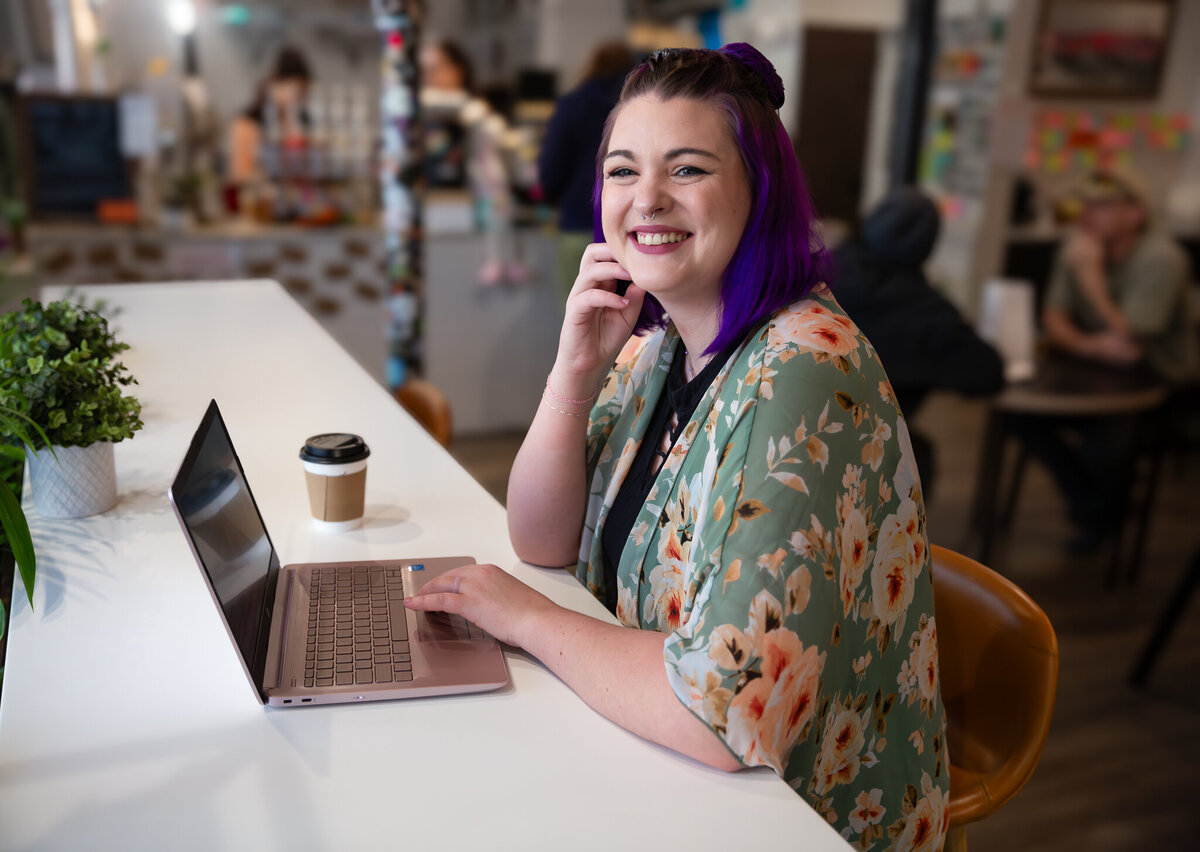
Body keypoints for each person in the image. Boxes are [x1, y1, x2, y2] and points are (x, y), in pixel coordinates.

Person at [405, 44, 948, 847]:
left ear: (759, 191)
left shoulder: (800, 370)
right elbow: (541, 537)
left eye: (687, 169)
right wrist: (572, 373)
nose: (645, 200)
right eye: (622, 171)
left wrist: (523, 618)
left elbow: (721, 717)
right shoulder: (656, 342)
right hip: (651, 770)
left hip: (796, 820)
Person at [1015, 168, 1196, 554]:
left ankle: (1103, 521)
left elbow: (1132, 341)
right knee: (1022, 417)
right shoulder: (1077, 247)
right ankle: (1091, 505)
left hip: (1158, 378)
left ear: (1135, 214)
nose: (1087, 212)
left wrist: (1091, 277)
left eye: (1102, 205)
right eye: (1085, 203)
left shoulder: (1161, 258)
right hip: (1096, 367)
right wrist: (1094, 347)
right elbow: (1054, 318)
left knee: (1108, 441)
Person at [832, 186, 1005, 494]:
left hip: (792, 430)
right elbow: (988, 372)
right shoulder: (928, 312)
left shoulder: (817, 273)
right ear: (927, 247)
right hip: (871, 448)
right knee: (914, 452)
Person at [538, 42, 637, 301]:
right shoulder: (638, 106)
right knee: (637, 319)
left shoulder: (573, 105)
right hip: (634, 227)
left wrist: (550, 195)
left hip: (579, 221)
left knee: (584, 314)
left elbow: (550, 172)